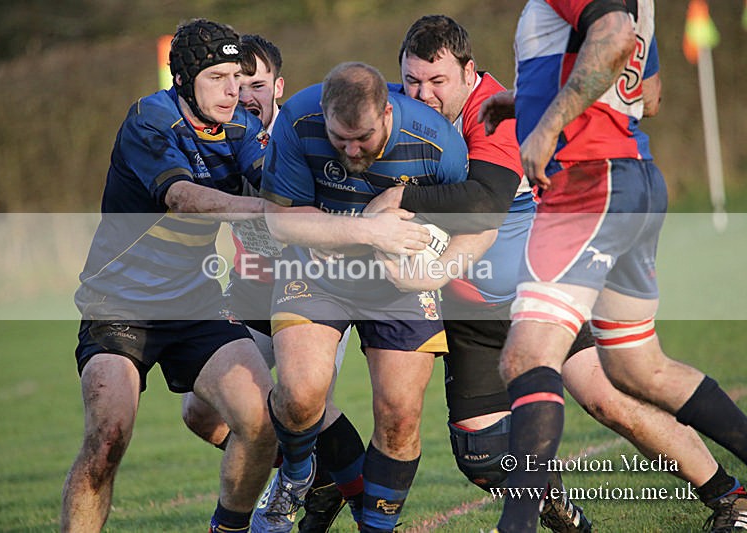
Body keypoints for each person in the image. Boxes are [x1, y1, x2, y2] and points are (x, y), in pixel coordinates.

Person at [386, 13, 747, 533]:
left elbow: (484, 202)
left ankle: (725, 493)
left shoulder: (495, 109)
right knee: (625, 377)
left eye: (437, 82)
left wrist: (548, 123)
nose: (422, 94)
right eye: (413, 81)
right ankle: (552, 505)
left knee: (607, 394)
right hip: (475, 302)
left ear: (469, 72)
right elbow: (649, 95)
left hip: (554, 260)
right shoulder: (415, 112)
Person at [252, 62, 495, 533]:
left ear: (387, 110)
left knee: (401, 415)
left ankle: (377, 528)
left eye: (362, 137)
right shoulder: (299, 120)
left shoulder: (436, 141)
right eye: (339, 138)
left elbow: (481, 220)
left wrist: (436, 270)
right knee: (301, 394)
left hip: (401, 284)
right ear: (323, 113)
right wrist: (369, 230)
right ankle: (297, 476)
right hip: (316, 272)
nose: (350, 149)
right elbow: (279, 221)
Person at [61, 19, 278, 533]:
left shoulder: (241, 125)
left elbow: (269, 178)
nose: (233, 90)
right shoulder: (149, 121)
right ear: (182, 80)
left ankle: (228, 528)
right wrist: (265, 212)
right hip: (119, 305)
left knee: (262, 425)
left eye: (238, 76)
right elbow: (182, 197)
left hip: (196, 302)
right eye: (217, 78)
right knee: (107, 439)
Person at [179, 33, 364, 532]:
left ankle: (367, 505)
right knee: (200, 412)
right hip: (251, 286)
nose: (244, 96)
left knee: (300, 401)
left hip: (315, 286)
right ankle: (320, 477)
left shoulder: (309, 135)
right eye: (234, 84)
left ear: (279, 86)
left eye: (256, 84)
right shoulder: (219, 139)